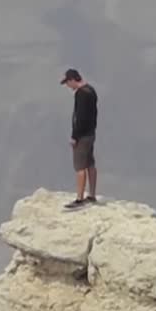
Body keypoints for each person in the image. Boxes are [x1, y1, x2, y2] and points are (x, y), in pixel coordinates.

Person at [60, 68, 98, 209]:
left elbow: (80, 117)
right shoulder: (91, 90)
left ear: (72, 80)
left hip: (82, 136)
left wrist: (75, 137)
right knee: (90, 164)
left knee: (80, 166)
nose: (68, 87)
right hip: (90, 133)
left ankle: (79, 199)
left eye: (67, 83)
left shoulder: (81, 94)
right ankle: (92, 195)